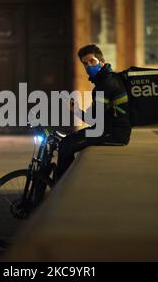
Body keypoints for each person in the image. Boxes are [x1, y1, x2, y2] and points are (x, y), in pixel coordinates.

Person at [54, 44, 132, 181]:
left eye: (92, 61)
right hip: (108, 129)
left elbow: (93, 119)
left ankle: (61, 189)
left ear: (101, 62)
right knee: (68, 141)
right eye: (85, 63)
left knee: (66, 145)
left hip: (113, 134)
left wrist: (76, 111)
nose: (89, 66)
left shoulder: (105, 84)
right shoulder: (109, 79)